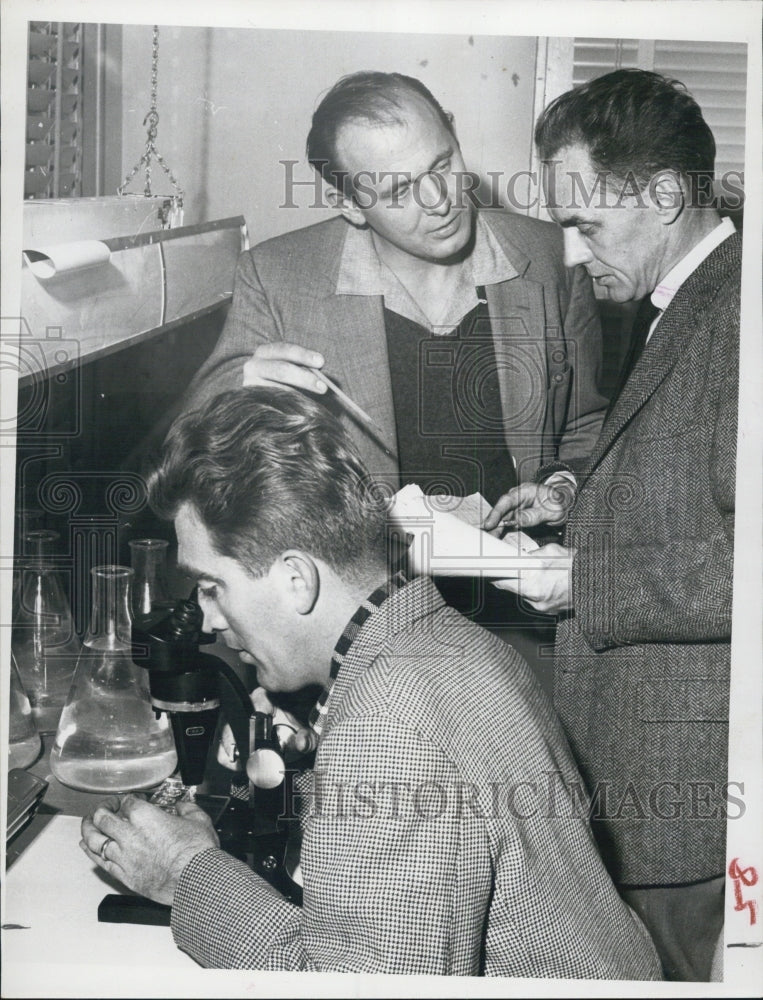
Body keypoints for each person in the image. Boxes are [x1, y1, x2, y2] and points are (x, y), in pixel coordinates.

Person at [81, 387, 660, 978]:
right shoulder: (451, 640)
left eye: (211, 586)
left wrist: (186, 871)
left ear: (295, 580)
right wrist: (314, 774)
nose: (205, 618)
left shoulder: (384, 723)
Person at [484, 69, 740, 981]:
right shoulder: (684, 299)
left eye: (586, 222)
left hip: (685, 803)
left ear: (665, 195)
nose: (572, 250)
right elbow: (677, 471)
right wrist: (567, 495)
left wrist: (574, 580)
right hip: (648, 791)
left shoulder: (738, 313)